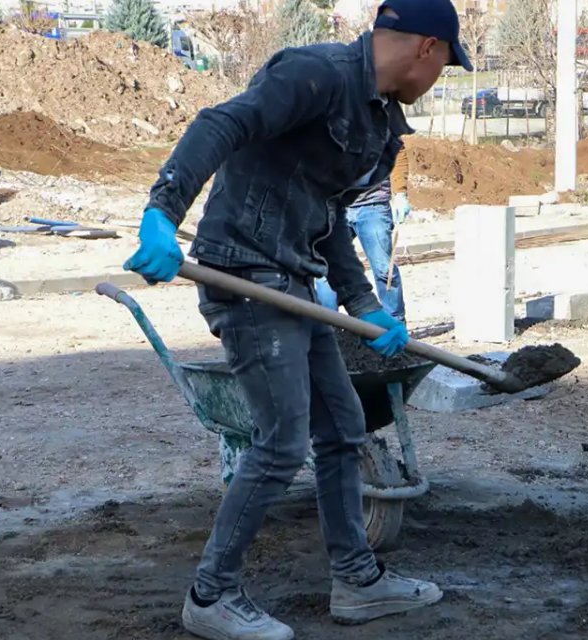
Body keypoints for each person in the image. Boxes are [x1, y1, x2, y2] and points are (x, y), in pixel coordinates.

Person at [120, 0, 473, 637]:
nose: (440, 77)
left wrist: (363, 304)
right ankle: (211, 595)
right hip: (245, 276)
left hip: (294, 284)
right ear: (427, 47)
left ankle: (358, 581)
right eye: (446, 63)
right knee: (281, 443)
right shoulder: (316, 75)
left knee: (341, 430)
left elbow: (329, 214)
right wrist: (163, 213)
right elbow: (221, 123)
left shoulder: (375, 123)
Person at [315, 146, 411, 320]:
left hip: (373, 207)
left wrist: (400, 193)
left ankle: (395, 323)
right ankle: (329, 327)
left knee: (383, 269)